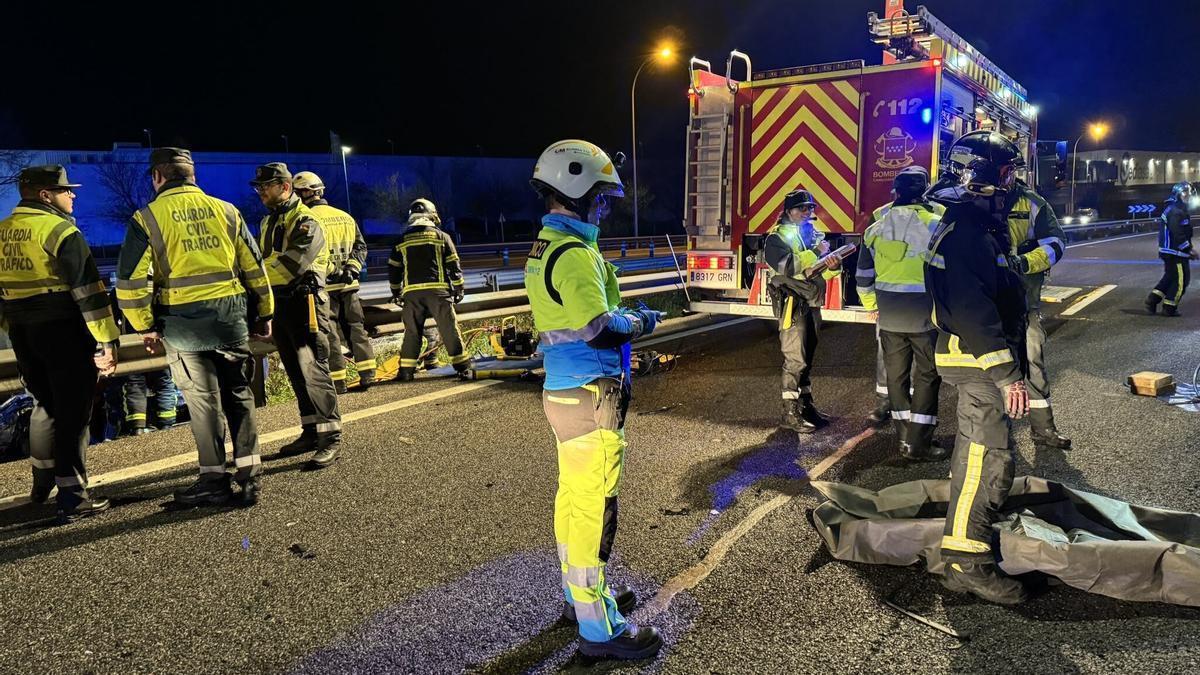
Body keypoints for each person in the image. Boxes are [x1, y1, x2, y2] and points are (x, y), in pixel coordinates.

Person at [525, 139, 663, 660]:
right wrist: (642, 320)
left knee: (572, 500)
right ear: (578, 189)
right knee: (593, 509)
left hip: (565, 393)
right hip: (592, 393)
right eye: (601, 196)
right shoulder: (576, 254)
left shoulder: (546, 246)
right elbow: (599, 330)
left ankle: (576, 599)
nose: (605, 205)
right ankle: (599, 628)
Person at [116, 148, 274, 505]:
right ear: (192, 175)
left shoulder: (147, 218)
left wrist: (144, 326)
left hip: (183, 326)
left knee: (203, 403)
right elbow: (254, 268)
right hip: (230, 319)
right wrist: (264, 312)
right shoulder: (228, 211)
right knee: (239, 394)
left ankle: (213, 480)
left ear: (158, 177)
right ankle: (250, 476)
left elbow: (130, 281)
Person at [924, 131, 1031, 604]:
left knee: (973, 460)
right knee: (990, 462)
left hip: (969, 360)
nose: (1012, 184)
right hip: (979, 365)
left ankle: (958, 556)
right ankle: (969, 563)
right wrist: (1007, 374)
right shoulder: (968, 234)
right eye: (1006, 174)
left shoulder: (967, 226)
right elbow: (972, 309)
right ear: (983, 179)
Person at [0, 165, 119, 523]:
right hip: (63, 330)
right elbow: (89, 293)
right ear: (45, 195)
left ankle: (42, 483)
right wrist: (108, 340)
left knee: (45, 406)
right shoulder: (60, 231)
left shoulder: (3, 231)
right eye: (66, 190)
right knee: (73, 413)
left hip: (23, 333)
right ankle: (73, 495)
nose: (73, 195)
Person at [251, 163, 341, 468]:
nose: (261, 191)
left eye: (267, 186)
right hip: (282, 305)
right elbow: (263, 261)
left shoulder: (306, 220)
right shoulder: (268, 222)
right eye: (259, 187)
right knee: (294, 370)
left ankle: (330, 437)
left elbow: (292, 265)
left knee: (314, 369)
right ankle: (310, 430)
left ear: (285, 187)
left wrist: (254, 282)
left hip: (306, 302)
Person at [856, 166, 947, 460]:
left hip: (890, 315)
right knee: (928, 375)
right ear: (923, 191)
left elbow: (863, 276)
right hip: (925, 315)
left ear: (896, 191)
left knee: (895, 378)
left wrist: (872, 307)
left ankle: (904, 439)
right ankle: (919, 443)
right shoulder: (936, 225)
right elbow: (949, 272)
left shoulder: (875, 229)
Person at [764, 189, 841, 433]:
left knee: (807, 359)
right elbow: (788, 267)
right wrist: (817, 253)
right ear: (788, 211)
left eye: (810, 208)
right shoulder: (776, 238)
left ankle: (806, 407)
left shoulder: (808, 236)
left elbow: (818, 271)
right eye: (802, 208)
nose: (807, 213)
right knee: (795, 358)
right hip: (792, 304)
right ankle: (789, 413)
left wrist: (833, 266)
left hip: (811, 303)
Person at [292, 171, 376, 393]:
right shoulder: (345, 217)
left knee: (329, 334)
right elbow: (360, 247)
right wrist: (351, 269)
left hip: (323, 288)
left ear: (303, 194)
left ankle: (338, 381)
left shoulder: (306, 220)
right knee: (356, 329)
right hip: (349, 286)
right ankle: (368, 374)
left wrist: (327, 272)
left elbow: (307, 254)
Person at [1004, 180, 1071, 450]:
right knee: (988, 374)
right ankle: (994, 435)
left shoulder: (1031, 203)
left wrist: (1025, 262)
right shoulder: (972, 200)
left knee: (1034, 364)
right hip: (985, 307)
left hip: (1023, 303)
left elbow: (1056, 243)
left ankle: (1043, 429)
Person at [388, 198, 470, 380]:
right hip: (438, 292)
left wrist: (396, 292)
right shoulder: (442, 237)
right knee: (449, 329)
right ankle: (463, 366)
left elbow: (394, 268)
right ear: (431, 215)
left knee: (412, 332)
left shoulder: (402, 239)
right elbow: (453, 265)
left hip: (412, 294)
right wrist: (459, 288)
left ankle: (406, 371)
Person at [1146, 181, 1195, 316]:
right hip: (1175, 252)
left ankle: (1152, 300)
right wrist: (1188, 249)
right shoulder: (1175, 211)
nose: (1188, 196)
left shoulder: (1176, 209)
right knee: (1181, 281)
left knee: (1170, 278)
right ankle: (1170, 307)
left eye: (1189, 193)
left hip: (1173, 252)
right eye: (1185, 193)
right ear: (1178, 194)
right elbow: (1177, 232)